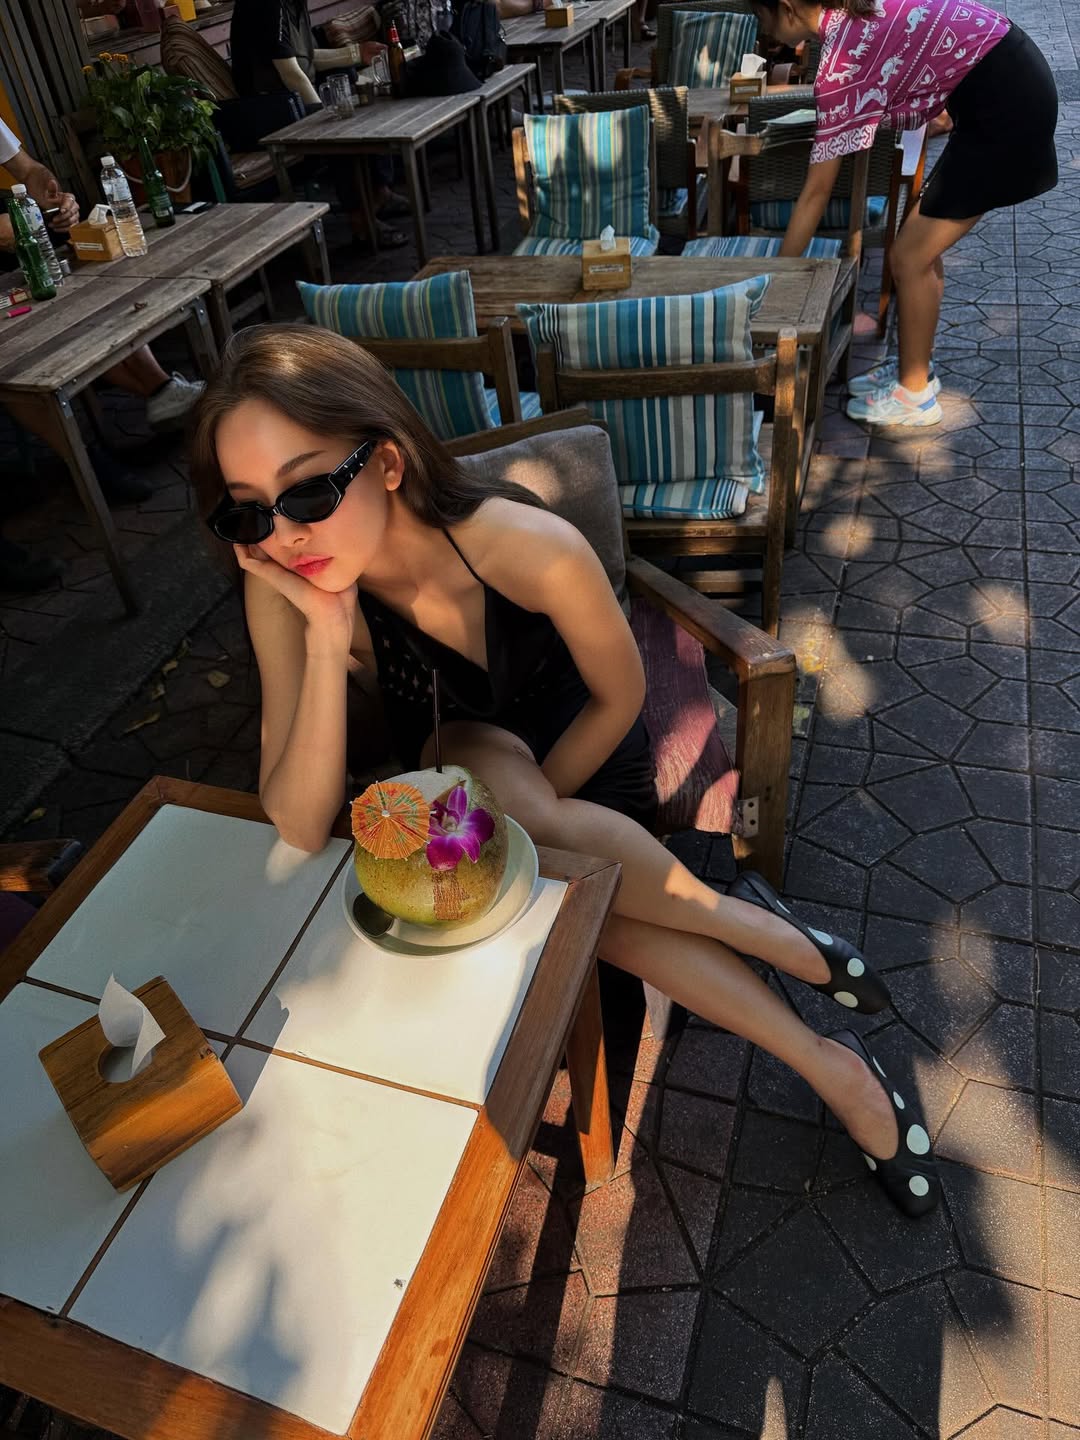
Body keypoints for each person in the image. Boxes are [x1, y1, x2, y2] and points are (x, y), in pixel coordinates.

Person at [190, 323, 941, 1218]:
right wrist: (323, 634)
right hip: (468, 761)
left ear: (386, 462)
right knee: (538, 841)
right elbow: (298, 820)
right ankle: (781, 955)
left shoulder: (518, 541)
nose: (282, 535)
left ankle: (823, 1048)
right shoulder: (286, 591)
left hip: (585, 744)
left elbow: (621, 696)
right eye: (248, 513)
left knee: (575, 886)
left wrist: (537, 822)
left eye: (308, 490)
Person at [754, 0, 1057, 429]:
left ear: (785, 8)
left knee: (909, 256)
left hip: (1008, 109)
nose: (763, 31)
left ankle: (914, 396)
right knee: (918, 248)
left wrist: (778, 284)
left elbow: (815, 193)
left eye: (761, 17)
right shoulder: (851, 17)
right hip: (1011, 83)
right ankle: (914, 371)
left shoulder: (841, 62)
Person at [0, 119, 204, 590]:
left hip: (14, 247)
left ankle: (161, 392)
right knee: (17, 352)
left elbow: (27, 169)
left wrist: (49, 195)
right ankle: (87, 461)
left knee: (82, 286)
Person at [229, 0, 410, 248]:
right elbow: (291, 73)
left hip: (290, 97)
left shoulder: (295, 4)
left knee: (352, 85)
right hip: (266, 109)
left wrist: (356, 53)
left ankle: (380, 192)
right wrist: (324, 118)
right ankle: (360, 221)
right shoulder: (268, 5)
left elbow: (307, 59)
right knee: (338, 126)